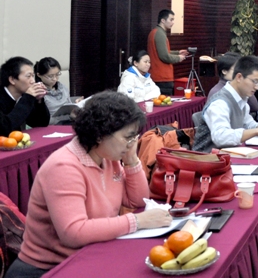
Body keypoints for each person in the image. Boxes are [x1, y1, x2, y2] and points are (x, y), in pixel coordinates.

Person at [7, 92, 172, 277]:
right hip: (49, 268)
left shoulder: (107, 157)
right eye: (128, 137)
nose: (132, 144)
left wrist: (132, 160)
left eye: (135, 137)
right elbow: (74, 233)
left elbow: (138, 201)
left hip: (89, 255)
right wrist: (138, 221)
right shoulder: (64, 166)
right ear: (100, 135)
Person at [194, 55, 258, 152]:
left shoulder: (241, 99)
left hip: (230, 154)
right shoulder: (220, 103)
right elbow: (220, 137)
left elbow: (248, 123)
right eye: (254, 81)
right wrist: (256, 131)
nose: (257, 87)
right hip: (208, 158)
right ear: (239, 77)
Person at [0, 57, 49, 136]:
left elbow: (41, 123)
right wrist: (28, 98)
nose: (33, 81)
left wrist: (39, 101)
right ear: (12, 80)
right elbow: (5, 128)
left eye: (33, 76)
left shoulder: (24, 96)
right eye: (28, 76)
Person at [147, 9, 189, 96]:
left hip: (158, 76)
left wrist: (178, 52)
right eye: (171, 19)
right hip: (162, 77)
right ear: (163, 20)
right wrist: (179, 58)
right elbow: (164, 56)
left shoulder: (155, 32)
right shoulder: (160, 34)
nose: (173, 22)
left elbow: (163, 51)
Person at [35, 57, 81, 125]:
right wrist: (69, 117)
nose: (55, 79)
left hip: (70, 121)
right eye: (50, 76)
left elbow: (69, 104)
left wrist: (76, 104)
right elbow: (44, 120)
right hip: (53, 126)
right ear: (39, 75)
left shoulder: (62, 87)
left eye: (57, 74)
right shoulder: (38, 93)